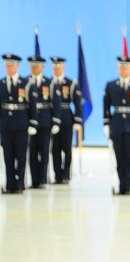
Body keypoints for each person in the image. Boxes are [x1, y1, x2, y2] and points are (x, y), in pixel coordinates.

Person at [103, 56, 130, 195]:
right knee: (119, 157)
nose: (124, 69)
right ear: (118, 68)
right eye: (122, 67)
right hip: (117, 126)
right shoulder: (111, 85)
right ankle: (122, 185)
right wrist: (106, 122)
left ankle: (129, 186)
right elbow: (106, 106)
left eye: (126, 67)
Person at [49, 56, 83, 184]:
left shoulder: (70, 83)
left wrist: (78, 121)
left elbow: (78, 103)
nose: (57, 69)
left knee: (67, 148)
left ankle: (66, 174)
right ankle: (57, 174)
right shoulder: (50, 83)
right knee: (55, 149)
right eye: (55, 67)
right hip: (53, 118)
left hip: (67, 119)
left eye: (59, 67)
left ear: (64, 67)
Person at [1, 53, 31, 193]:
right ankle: (10, 184)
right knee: (8, 156)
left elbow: (32, 105)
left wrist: (33, 123)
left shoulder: (25, 83)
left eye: (11, 64)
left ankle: (20, 183)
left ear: (17, 66)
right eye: (7, 64)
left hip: (21, 124)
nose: (9, 67)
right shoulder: (1, 83)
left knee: (20, 155)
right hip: (6, 125)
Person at [26, 55, 53, 188]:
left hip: (44, 121)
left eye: (37, 66)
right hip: (30, 121)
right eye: (32, 65)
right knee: (32, 152)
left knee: (44, 151)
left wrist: (55, 121)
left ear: (43, 67)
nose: (34, 68)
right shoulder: (26, 81)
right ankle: (34, 179)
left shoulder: (49, 82)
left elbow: (55, 103)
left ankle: (42, 179)